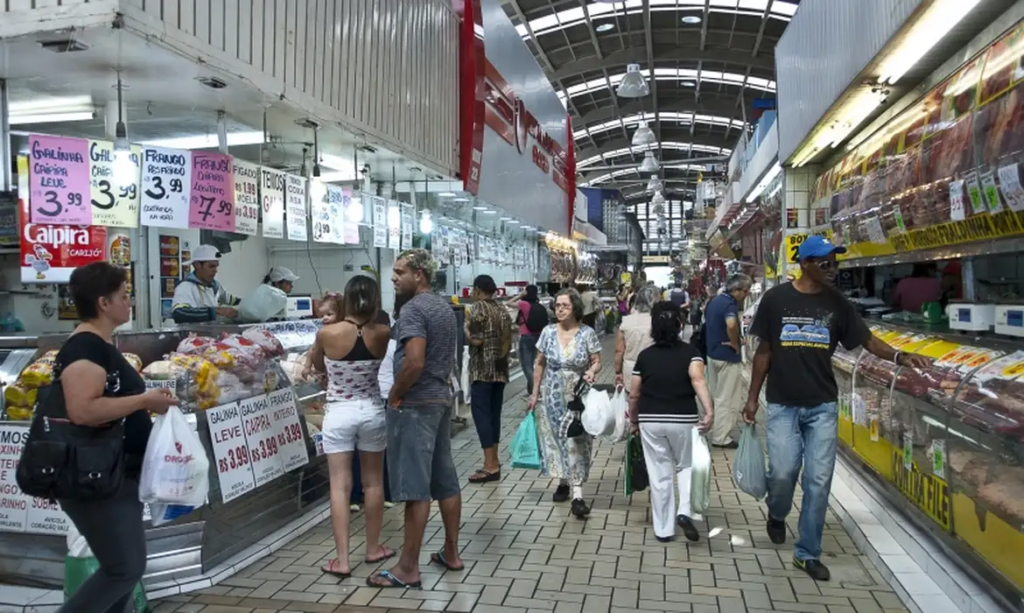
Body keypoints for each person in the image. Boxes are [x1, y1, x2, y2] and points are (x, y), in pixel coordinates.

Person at [744, 235, 930, 581]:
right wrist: (753, 398)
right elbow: (764, 352)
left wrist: (900, 356)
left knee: (818, 480)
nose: (833, 269)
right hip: (783, 403)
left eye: (836, 263)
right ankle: (777, 511)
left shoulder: (837, 304)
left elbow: (867, 340)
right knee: (783, 473)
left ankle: (808, 552)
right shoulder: (775, 300)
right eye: (825, 263)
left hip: (823, 405)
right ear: (805, 264)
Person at [56, 263, 177, 613]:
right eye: (125, 296)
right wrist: (143, 400)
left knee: (122, 568)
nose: (131, 302)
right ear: (103, 303)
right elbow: (82, 410)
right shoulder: (85, 349)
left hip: (116, 474)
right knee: (124, 569)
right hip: (98, 477)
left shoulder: (100, 345)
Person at [370, 249, 462, 588]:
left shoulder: (413, 310)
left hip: (415, 405)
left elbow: (415, 361)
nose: (393, 278)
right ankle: (451, 552)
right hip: (440, 400)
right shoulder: (442, 308)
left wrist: (395, 393)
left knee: (415, 488)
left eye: (399, 272)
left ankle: (408, 568)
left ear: (419, 274)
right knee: (445, 480)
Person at [309, 275, 393, 579]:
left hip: (339, 412)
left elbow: (319, 368)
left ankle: (342, 560)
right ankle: (373, 549)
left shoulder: (327, 333)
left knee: (339, 486)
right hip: (371, 409)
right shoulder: (383, 333)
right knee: (373, 483)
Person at [629, 301, 713, 543]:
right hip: (684, 418)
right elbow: (698, 379)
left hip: (651, 419)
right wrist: (708, 411)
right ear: (680, 324)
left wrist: (633, 420)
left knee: (660, 473)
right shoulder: (691, 353)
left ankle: (664, 529)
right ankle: (685, 511)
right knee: (686, 465)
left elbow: (634, 393)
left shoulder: (645, 357)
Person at [528, 288, 602, 518]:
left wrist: (591, 371)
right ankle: (562, 480)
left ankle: (577, 494)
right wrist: (535, 392)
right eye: (557, 305)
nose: (559, 309)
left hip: (578, 396)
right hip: (552, 394)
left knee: (577, 439)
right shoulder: (548, 332)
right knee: (557, 438)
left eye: (565, 306)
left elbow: (597, 360)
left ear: (575, 308)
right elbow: (539, 362)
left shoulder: (587, 333)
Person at [465, 275, 513, 484]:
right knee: (494, 415)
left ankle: (490, 466)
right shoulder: (502, 309)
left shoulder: (478, 308)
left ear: (477, 289)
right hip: (500, 369)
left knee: (481, 415)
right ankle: (495, 460)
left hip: (482, 370)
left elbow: (476, 339)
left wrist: (465, 330)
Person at [704, 273, 753, 449]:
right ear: (736, 290)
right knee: (727, 397)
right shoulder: (729, 304)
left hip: (712, 354)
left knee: (716, 394)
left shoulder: (714, 301)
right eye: (745, 291)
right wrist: (735, 343)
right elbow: (731, 324)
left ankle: (714, 428)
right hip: (727, 357)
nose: (746, 295)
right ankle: (721, 437)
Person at [171, 245, 240, 323]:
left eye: (216, 266)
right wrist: (215, 311)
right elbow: (179, 313)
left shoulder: (215, 286)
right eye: (211, 266)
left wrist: (248, 303)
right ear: (197, 265)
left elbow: (230, 299)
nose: (215, 270)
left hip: (210, 333)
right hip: (192, 334)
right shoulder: (185, 287)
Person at [614, 285, 657, 390]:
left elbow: (619, 351)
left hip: (631, 369)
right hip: (654, 368)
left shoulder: (626, 322)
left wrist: (618, 371)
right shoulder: (658, 321)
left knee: (631, 400)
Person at [513, 285, 547, 397]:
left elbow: (508, 303)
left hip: (526, 337)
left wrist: (520, 295)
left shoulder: (524, 304)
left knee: (526, 365)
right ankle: (531, 390)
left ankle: (536, 391)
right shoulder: (538, 305)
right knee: (532, 364)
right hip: (537, 336)